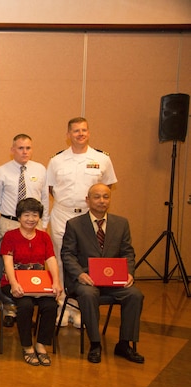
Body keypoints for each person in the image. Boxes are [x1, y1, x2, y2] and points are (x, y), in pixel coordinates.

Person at [61, 183, 144, 364]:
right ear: (88, 200)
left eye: (106, 197)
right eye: (97, 197)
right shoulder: (74, 225)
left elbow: (127, 252)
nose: (101, 201)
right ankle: (95, 343)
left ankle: (124, 344)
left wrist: (129, 273)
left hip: (112, 281)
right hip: (86, 280)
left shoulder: (121, 224)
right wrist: (79, 274)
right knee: (88, 294)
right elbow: (67, 254)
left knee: (135, 295)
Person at [46, 118, 117, 327]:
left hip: (89, 216)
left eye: (84, 130)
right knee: (59, 260)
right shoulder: (57, 160)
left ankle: (80, 308)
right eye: (75, 131)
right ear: (68, 134)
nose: (80, 134)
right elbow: (50, 188)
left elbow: (106, 189)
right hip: (63, 214)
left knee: (85, 261)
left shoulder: (102, 159)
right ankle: (61, 306)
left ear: (89, 132)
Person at [0, 134, 49, 327]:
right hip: (9, 223)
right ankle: (10, 311)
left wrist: (44, 224)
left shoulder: (40, 169)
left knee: (33, 265)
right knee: (10, 268)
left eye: (28, 148)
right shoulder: (2, 171)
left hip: (34, 224)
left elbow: (45, 200)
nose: (25, 152)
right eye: (20, 148)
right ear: (12, 149)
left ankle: (29, 306)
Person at [0, 198, 62, 366]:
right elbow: (8, 262)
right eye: (26, 215)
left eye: (35, 215)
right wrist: (14, 284)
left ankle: (41, 345)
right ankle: (27, 346)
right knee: (25, 305)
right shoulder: (10, 236)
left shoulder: (44, 237)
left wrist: (56, 282)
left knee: (50, 305)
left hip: (38, 284)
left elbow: (51, 260)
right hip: (14, 283)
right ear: (19, 217)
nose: (31, 219)